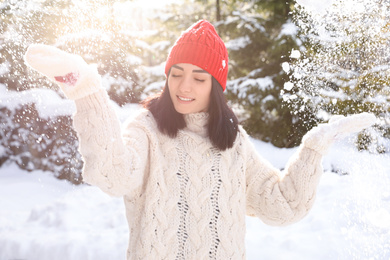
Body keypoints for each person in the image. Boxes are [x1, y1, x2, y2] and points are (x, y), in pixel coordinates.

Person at [24, 20, 375, 259]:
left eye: (199, 77)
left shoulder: (233, 142)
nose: (184, 86)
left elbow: (282, 206)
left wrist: (313, 149)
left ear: (216, 86)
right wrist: (85, 89)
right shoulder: (146, 129)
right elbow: (113, 174)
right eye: (176, 74)